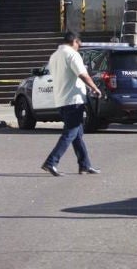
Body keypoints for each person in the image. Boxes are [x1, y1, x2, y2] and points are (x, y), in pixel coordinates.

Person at [41, 31, 102, 177]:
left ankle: (85, 165)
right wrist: (94, 87)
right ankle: (51, 162)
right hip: (73, 99)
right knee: (71, 132)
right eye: (78, 43)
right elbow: (82, 74)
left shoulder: (54, 55)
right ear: (74, 41)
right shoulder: (72, 55)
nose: (79, 46)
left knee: (78, 134)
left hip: (61, 99)